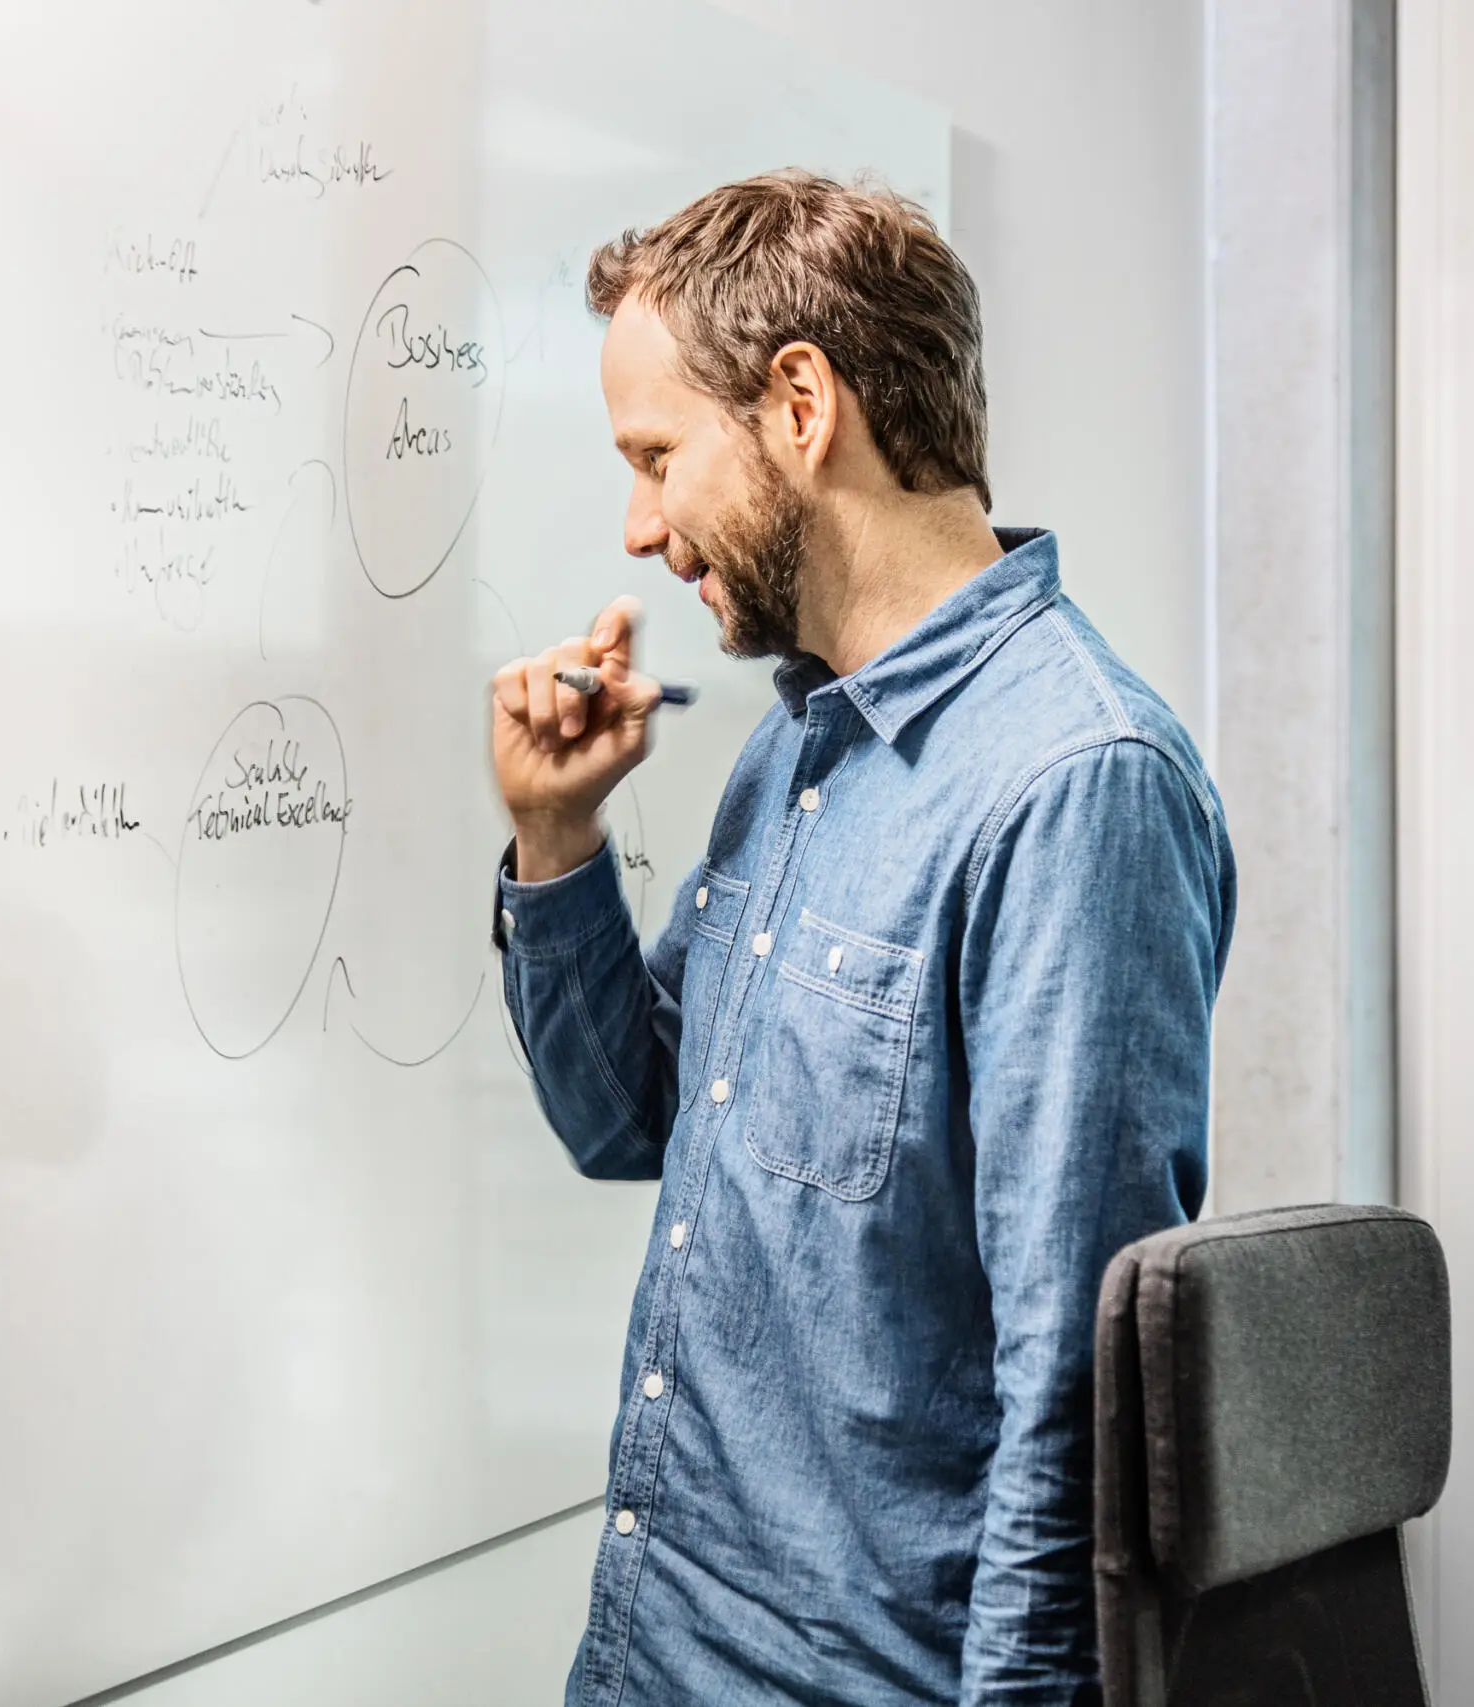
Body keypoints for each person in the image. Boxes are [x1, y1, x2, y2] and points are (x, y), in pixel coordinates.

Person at [485, 172, 1235, 1706]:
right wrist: (557, 842)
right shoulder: (799, 747)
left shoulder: (1076, 785)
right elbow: (632, 1119)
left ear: (801, 403)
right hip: (651, 1650)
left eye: (655, 457)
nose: (639, 528)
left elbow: (1072, 1404)